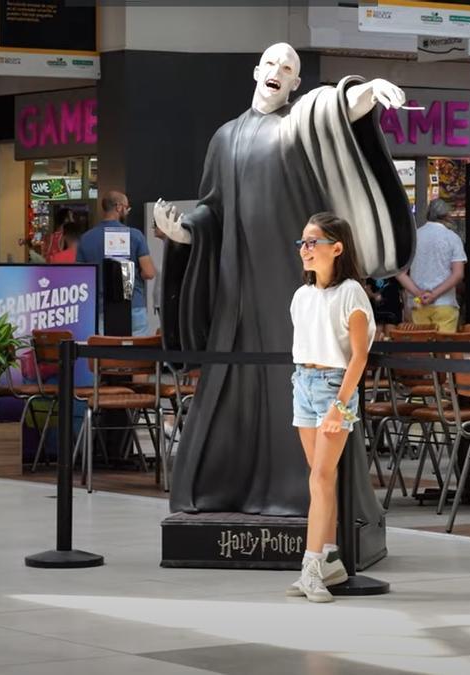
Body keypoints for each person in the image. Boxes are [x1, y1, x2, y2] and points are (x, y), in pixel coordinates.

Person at [152, 42, 412, 517]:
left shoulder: (297, 129)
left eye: (288, 68)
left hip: (289, 282)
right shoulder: (224, 137)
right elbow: (213, 209)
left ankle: (303, 497)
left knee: (293, 381)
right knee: (235, 377)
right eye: (272, 63)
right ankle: (222, 488)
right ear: (257, 71)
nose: (278, 71)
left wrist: (368, 91)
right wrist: (185, 232)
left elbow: (335, 111)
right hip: (237, 285)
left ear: (295, 83)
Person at [287, 212, 374, 602]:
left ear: (336, 248)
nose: (305, 250)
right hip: (303, 383)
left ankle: (311, 567)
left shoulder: (351, 292)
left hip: (334, 387)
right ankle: (327, 561)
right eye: (302, 242)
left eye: (312, 242)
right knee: (321, 479)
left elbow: (359, 356)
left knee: (320, 479)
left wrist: (340, 406)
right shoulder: (302, 295)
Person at [76, 191, 156, 335]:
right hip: (133, 305)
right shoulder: (135, 235)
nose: (128, 211)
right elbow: (149, 272)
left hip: (101, 308)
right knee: (138, 355)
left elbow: (80, 276)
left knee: (107, 355)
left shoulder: (86, 238)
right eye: (127, 207)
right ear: (119, 207)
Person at [402, 199, 466, 333]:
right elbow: (458, 274)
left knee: (422, 349)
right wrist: (434, 294)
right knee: (443, 349)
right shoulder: (452, 238)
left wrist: (418, 293)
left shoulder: (414, 237)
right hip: (445, 303)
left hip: (419, 302)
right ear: (447, 216)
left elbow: (400, 273)